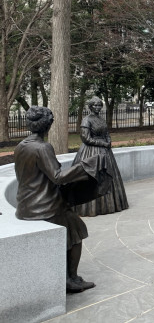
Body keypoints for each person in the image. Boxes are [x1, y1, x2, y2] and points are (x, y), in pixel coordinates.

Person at [15, 106, 107, 293]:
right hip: (43, 207)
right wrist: (86, 166)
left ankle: (66, 275)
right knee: (78, 230)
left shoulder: (21, 146)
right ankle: (71, 279)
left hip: (25, 205)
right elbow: (57, 176)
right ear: (48, 126)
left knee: (70, 228)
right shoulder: (43, 147)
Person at [72, 96, 128, 216]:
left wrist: (108, 141)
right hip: (90, 152)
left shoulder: (101, 119)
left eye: (99, 105)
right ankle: (88, 207)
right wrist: (102, 143)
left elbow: (106, 133)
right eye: (95, 105)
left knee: (108, 176)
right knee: (93, 177)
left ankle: (110, 204)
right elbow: (86, 138)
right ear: (90, 106)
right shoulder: (86, 120)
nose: (97, 107)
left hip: (105, 152)